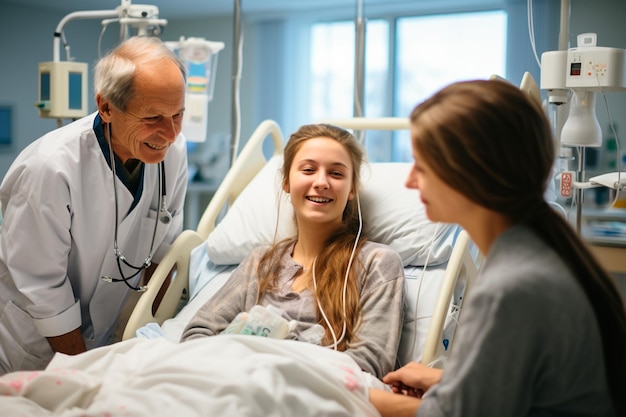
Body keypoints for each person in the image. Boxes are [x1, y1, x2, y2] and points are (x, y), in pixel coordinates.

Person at [369, 79, 626, 416]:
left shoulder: (511, 288)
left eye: (423, 166)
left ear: (470, 172)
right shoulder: (542, 251)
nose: (410, 181)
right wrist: (448, 381)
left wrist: (356, 395)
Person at [0, 36, 189, 374]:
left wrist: (146, 335)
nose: (170, 133)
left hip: (109, 342)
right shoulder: (50, 168)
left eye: (178, 114)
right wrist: (82, 376)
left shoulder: (173, 153)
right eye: (153, 118)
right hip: (37, 347)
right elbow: (44, 289)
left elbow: (162, 255)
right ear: (106, 108)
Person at [181, 123, 405, 378]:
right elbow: (196, 334)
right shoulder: (261, 262)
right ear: (287, 182)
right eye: (308, 170)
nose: (321, 182)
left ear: (352, 189)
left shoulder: (377, 263)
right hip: (232, 384)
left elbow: (368, 364)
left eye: (336, 173)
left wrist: (277, 373)